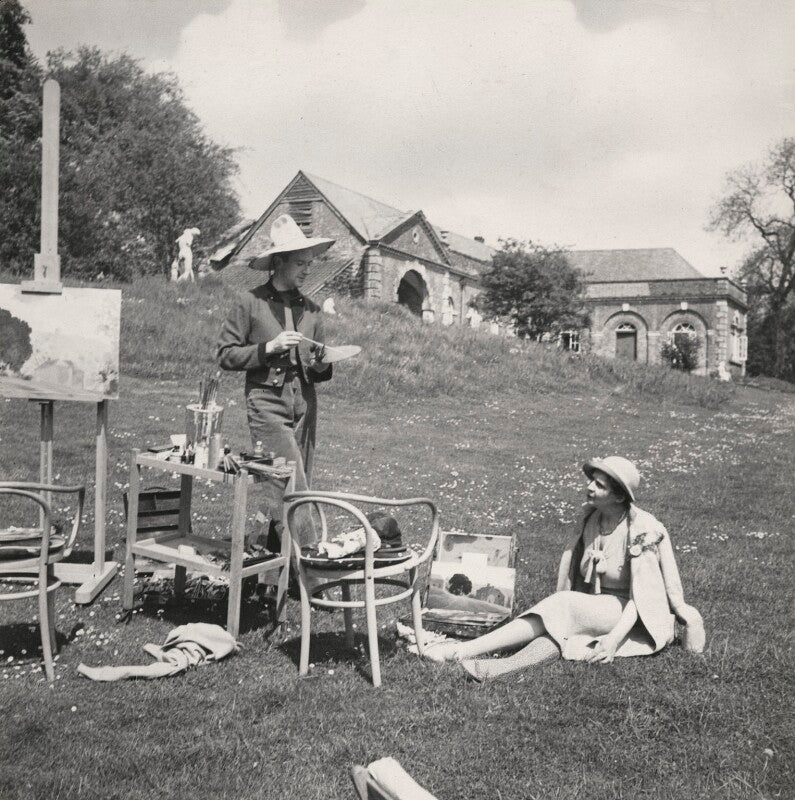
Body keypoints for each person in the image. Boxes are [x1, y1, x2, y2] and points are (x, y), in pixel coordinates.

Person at [424, 456, 704, 681]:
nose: (590, 488)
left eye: (600, 486)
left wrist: (614, 640)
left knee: (562, 606)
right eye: (592, 481)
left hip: (632, 612)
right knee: (558, 633)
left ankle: (459, 651)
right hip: (598, 606)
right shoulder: (592, 520)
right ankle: (499, 669)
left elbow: (644, 597)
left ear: (619, 498)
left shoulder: (642, 530)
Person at [217, 214, 335, 547]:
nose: (307, 269)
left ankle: (269, 567)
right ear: (279, 262)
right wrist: (269, 348)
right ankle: (312, 566)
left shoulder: (312, 310)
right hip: (267, 404)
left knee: (286, 483)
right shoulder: (250, 302)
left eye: (309, 263)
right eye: (300, 262)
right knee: (294, 484)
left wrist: (323, 363)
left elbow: (319, 370)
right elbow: (225, 355)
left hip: (304, 404)